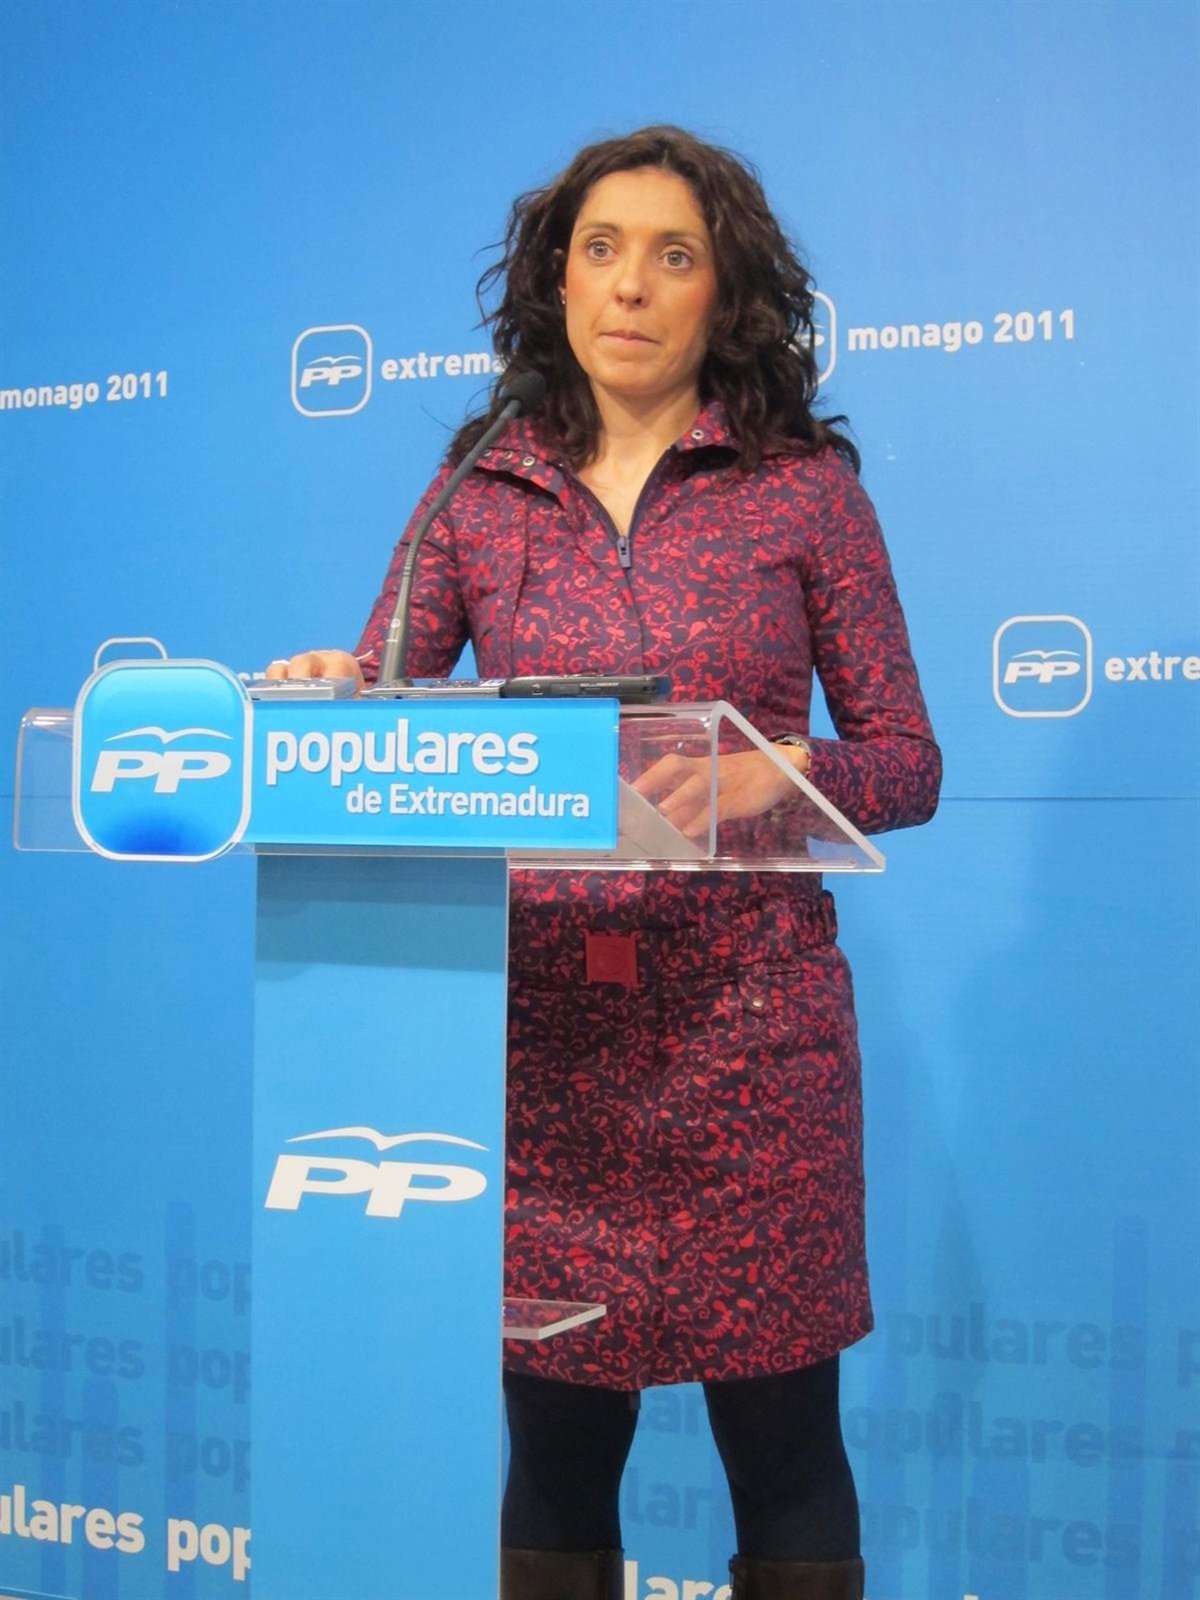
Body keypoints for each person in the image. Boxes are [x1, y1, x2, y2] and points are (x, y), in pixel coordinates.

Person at [269, 126, 940, 1600]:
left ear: (724, 293)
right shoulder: (475, 487)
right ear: (557, 282)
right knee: (557, 1454)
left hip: (750, 1048)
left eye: (673, 255)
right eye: (601, 250)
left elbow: (907, 761)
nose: (630, 284)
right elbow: (387, 702)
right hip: (545, 1054)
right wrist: (335, 692)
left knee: (786, 1450)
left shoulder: (803, 491)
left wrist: (762, 781)